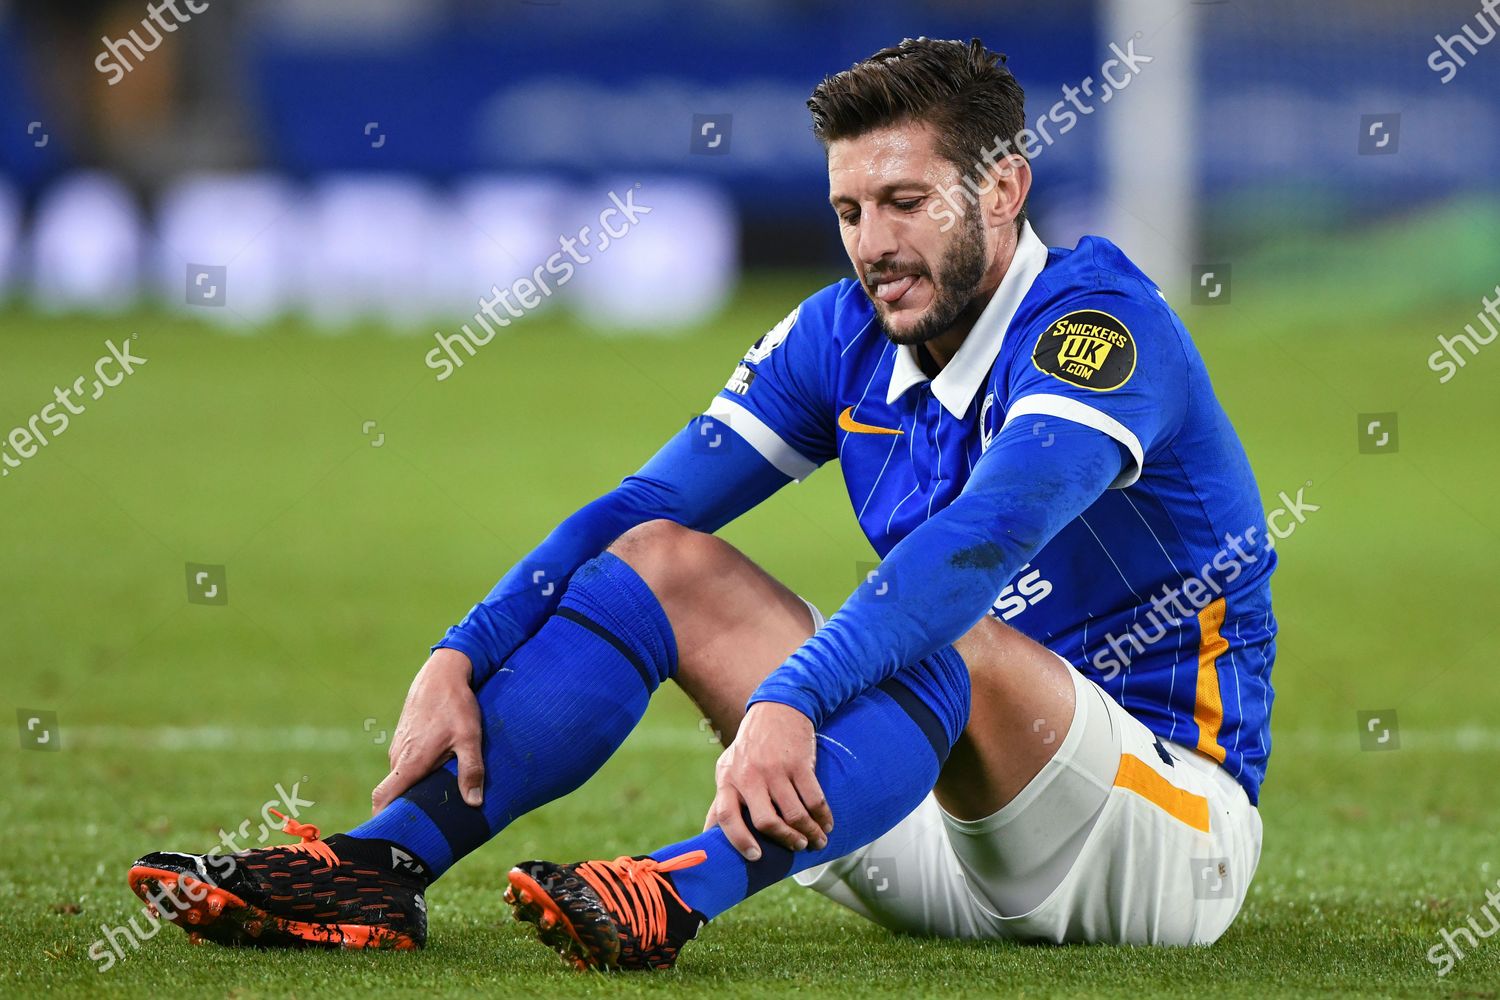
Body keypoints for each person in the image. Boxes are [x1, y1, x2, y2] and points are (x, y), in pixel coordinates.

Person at [128, 37, 1275, 970]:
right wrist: (462, 648)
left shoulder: (1098, 330)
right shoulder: (844, 331)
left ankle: (673, 891)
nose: (874, 246)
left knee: (944, 620)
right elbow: (640, 503)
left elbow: (981, 543)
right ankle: (381, 865)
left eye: (906, 201)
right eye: (849, 210)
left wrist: (794, 695)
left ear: (1006, 187)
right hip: (913, 819)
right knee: (662, 557)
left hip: (1159, 837)